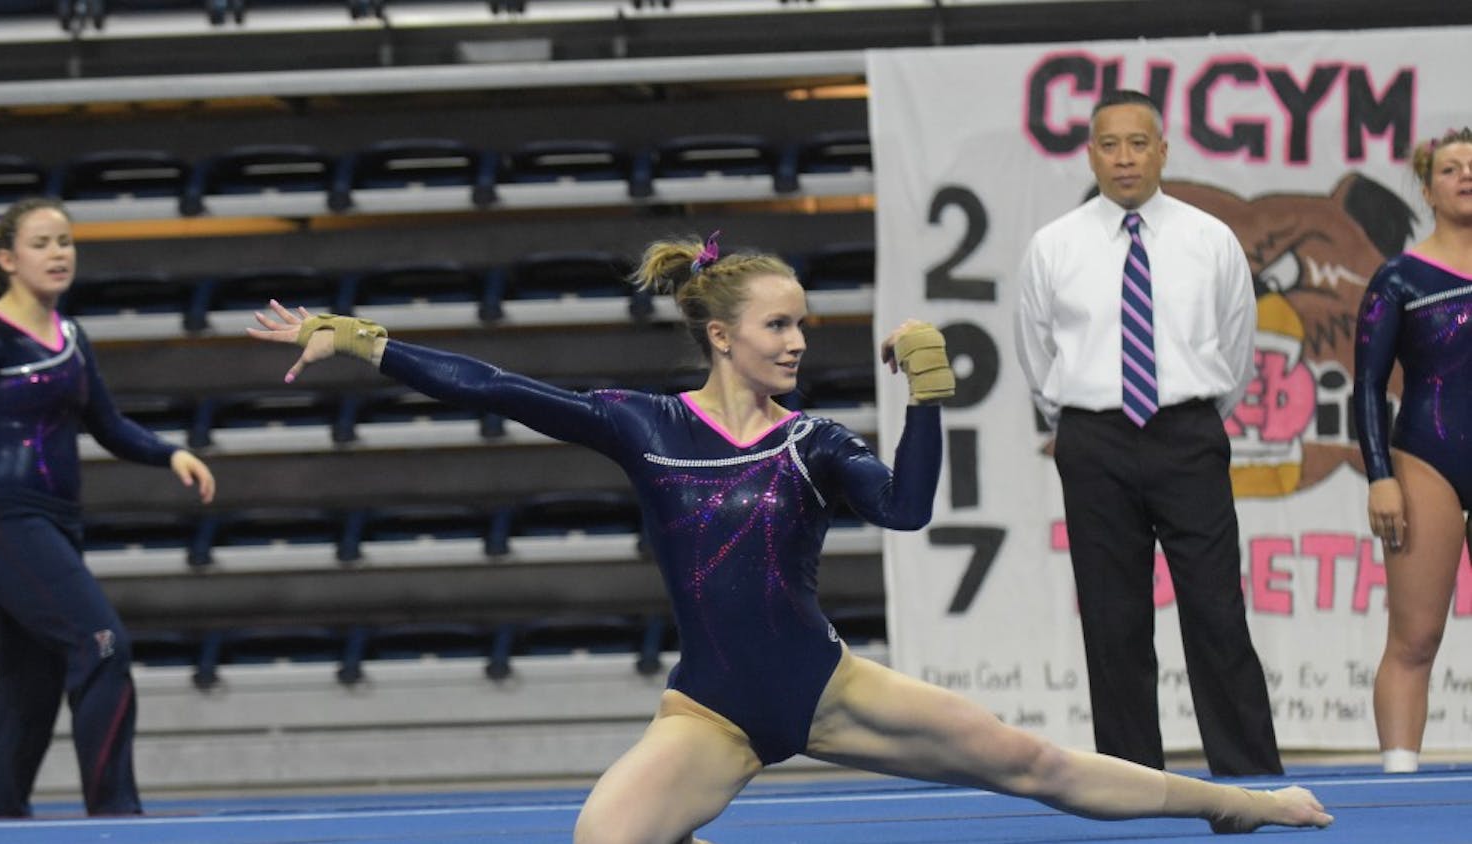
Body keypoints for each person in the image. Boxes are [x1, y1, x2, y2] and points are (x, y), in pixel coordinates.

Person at [250, 232, 1329, 842]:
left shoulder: (812, 441)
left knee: (1033, 762)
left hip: (828, 686)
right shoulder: (648, 425)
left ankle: (1241, 801)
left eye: (805, 323)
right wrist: (363, 340)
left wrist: (929, 403)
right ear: (721, 334)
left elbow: (907, 510)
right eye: (779, 325)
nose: (798, 341)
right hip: (713, 708)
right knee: (601, 841)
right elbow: (499, 386)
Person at [1013, 89, 1282, 777]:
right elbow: (1037, 353)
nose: (1125, 157)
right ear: (1091, 153)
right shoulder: (1054, 245)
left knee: (1217, 612)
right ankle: (1131, 784)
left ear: (1163, 149)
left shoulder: (1209, 238)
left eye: (1139, 142)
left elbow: (1237, 347)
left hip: (1187, 434)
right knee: (1113, 620)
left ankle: (1249, 781)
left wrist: (1191, 419)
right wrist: (1078, 418)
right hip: (1093, 441)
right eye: (1110, 144)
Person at [0, 196, 216, 818]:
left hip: (53, 519)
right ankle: (115, 816)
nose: (58, 254)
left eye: (66, 242)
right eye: (42, 243)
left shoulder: (71, 337)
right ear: (6, 259)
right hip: (0, 516)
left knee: (30, 681)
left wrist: (169, 455)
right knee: (101, 643)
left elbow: (106, 423)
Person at [1353, 126, 1472, 774]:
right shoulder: (1400, 276)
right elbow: (1368, 384)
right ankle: (1401, 776)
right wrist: (1379, 476)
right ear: (1427, 189)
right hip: (1430, 458)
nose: (1465, 175)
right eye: (1450, 168)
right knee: (1416, 636)